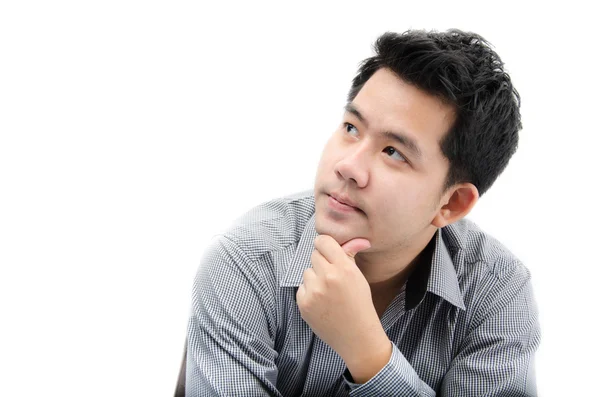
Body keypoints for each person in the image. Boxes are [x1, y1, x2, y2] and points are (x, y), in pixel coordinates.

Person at [184, 29, 541, 396]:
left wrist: (368, 353)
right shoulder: (246, 262)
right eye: (351, 128)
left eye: (393, 152)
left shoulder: (497, 292)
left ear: (451, 204)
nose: (347, 165)